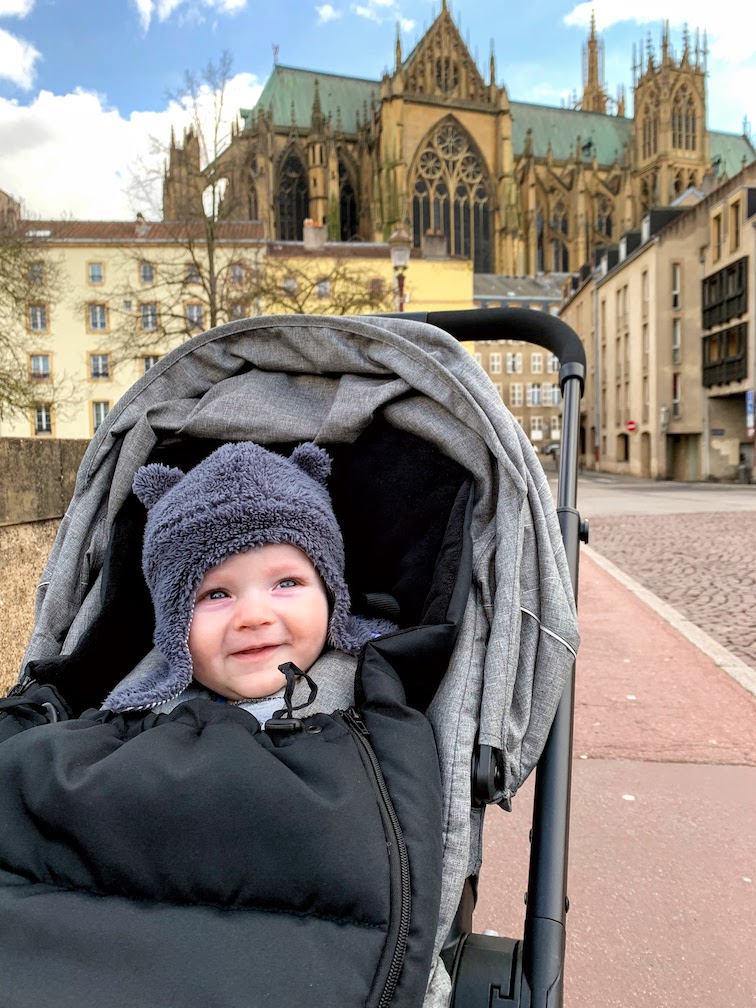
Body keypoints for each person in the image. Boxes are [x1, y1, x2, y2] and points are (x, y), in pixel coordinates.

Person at [102, 440, 397, 721]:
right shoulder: (133, 728)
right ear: (172, 621)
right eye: (216, 594)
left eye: (286, 583)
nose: (254, 617)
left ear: (332, 595)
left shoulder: (380, 693)